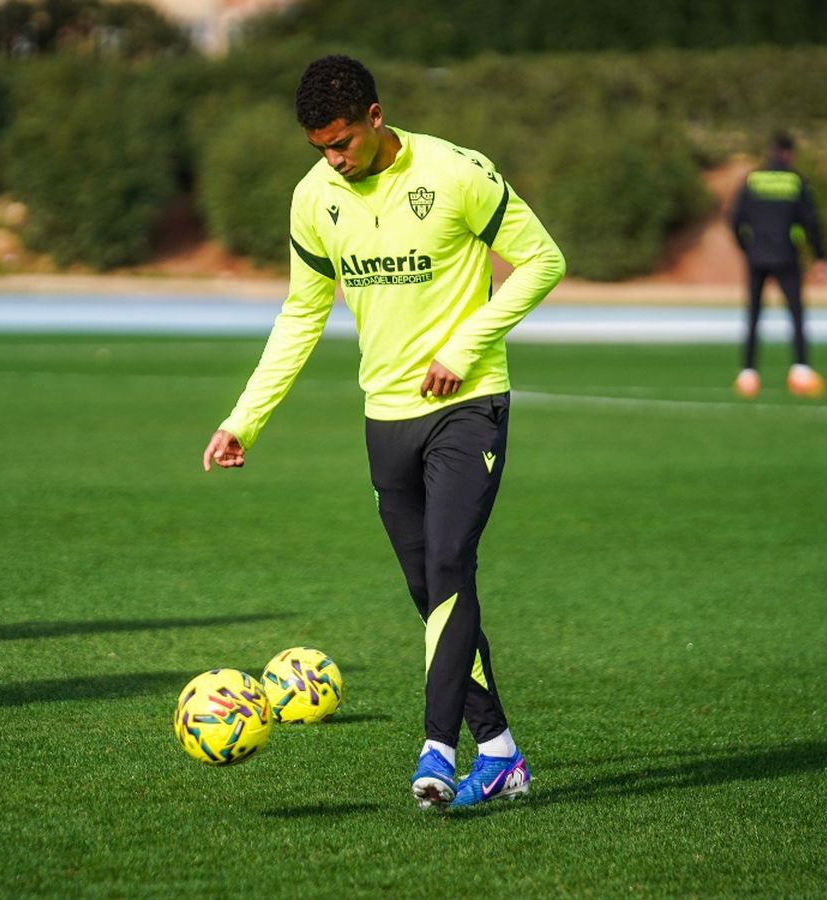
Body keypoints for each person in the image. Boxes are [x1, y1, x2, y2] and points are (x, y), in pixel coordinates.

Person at [202, 55, 565, 810]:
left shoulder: (455, 173)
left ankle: (437, 751)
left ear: (375, 117)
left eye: (342, 143)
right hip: (385, 420)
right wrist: (246, 419)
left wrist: (464, 348)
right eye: (320, 149)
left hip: (470, 407)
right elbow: (302, 314)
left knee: (451, 564)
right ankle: (499, 753)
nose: (334, 160)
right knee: (429, 590)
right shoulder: (313, 200)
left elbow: (541, 262)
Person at [727, 131, 827, 399]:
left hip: (757, 256)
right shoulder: (795, 181)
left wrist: (746, 248)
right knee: (795, 314)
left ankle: (748, 375)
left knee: (753, 315)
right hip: (786, 256)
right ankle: (800, 372)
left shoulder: (753, 179)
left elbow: (735, 218)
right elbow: (812, 221)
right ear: (789, 153)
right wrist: (819, 256)